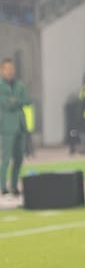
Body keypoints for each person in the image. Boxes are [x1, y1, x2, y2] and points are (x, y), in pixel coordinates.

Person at [0, 58, 31, 198]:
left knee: (19, 158)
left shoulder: (19, 84)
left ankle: (13, 186)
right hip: (7, 125)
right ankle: (3, 187)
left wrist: (16, 101)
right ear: (1, 70)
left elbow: (28, 100)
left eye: (12, 68)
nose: (10, 71)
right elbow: (6, 104)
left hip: (20, 124)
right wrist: (17, 102)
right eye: (7, 69)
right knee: (6, 159)